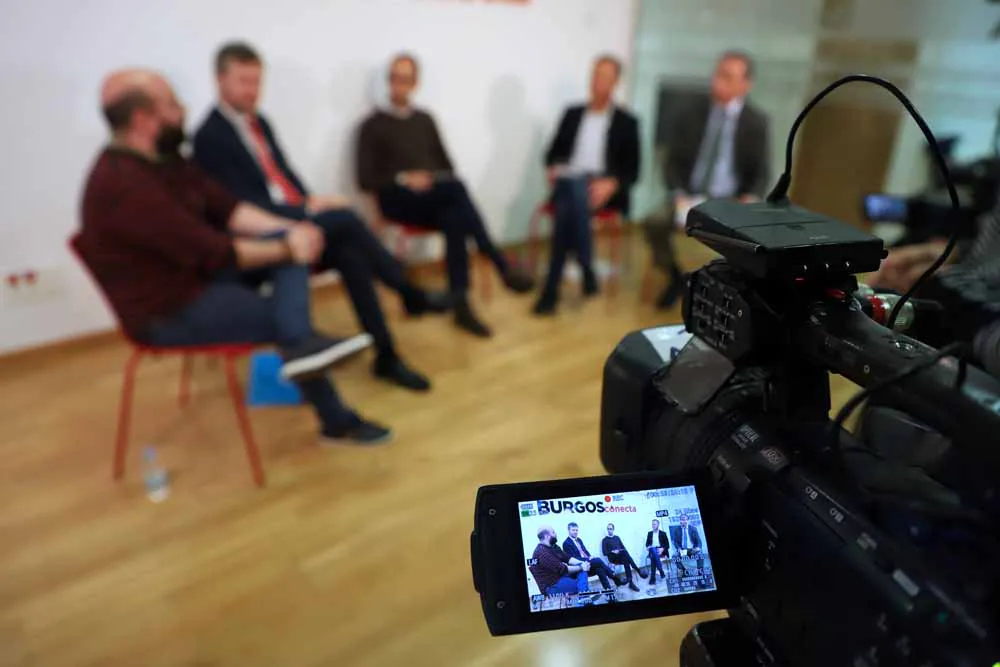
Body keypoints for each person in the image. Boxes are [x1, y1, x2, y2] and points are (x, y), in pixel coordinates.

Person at [77, 69, 390, 445]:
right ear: (143, 119)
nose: (182, 112)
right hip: (169, 310)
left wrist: (291, 233)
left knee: (286, 248)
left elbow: (227, 208)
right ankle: (331, 411)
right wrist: (288, 247)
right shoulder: (123, 185)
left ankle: (303, 351)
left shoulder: (164, 160)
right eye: (173, 105)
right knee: (288, 317)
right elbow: (211, 252)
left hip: (197, 279)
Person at [193, 42, 448, 392]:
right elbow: (242, 209)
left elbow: (283, 174)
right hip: (257, 243)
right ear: (219, 80)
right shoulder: (209, 137)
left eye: (257, 82)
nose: (253, 91)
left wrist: (310, 200)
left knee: (352, 253)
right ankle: (407, 289)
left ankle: (387, 356)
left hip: (292, 224)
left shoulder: (259, 122)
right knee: (344, 216)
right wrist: (308, 211)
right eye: (244, 82)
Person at [355, 53, 535, 337]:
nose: (398, 85)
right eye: (394, 78)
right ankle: (498, 262)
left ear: (415, 84)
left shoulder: (425, 120)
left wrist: (430, 179)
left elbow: (446, 166)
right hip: (397, 200)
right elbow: (364, 179)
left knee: (455, 216)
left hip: (432, 198)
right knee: (458, 190)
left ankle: (460, 305)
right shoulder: (372, 124)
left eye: (405, 79)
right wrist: (405, 178)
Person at [646, 50, 770, 309]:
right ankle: (676, 276)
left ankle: (721, 289)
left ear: (745, 85)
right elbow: (671, 162)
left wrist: (749, 198)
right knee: (654, 222)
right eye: (718, 74)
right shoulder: (690, 113)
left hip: (731, 199)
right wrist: (678, 193)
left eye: (727, 76)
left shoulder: (756, 122)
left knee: (747, 243)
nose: (718, 82)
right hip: (690, 193)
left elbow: (761, 172)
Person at [534, 55, 640, 315]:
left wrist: (611, 184)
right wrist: (553, 167)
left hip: (602, 188)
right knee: (573, 189)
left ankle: (551, 288)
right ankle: (586, 269)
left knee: (569, 203)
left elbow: (633, 171)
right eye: (594, 74)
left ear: (615, 82)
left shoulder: (627, 122)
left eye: (604, 76)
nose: (597, 81)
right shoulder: (572, 114)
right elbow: (551, 154)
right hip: (571, 181)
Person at [528, 526, 591, 598]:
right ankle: (584, 596)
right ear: (547, 536)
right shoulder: (541, 552)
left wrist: (583, 564)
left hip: (560, 577)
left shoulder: (554, 546)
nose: (556, 534)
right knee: (581, 582)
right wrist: (581, 567)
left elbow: (567, 558)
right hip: (552, 586)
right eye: (553, 532)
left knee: (582, 569)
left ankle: (583, 596)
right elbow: (563, 569)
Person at [561, 522, 619, 592]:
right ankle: (613, 576)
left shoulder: (579, 540)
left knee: (600, 569)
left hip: (587, 564)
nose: (575, 532)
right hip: (579, 567)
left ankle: (609, 592)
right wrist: (588, 559)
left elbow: (585, 551)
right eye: (573, 530)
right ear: (569, 530)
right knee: (598, 560)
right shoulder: (566, 543)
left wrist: (590, 556)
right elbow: (573, 559)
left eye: (576, 530)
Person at [600, 523, 643, 591]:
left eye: (610, 529)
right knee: (625, 555)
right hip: (613, 558)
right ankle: (637, 569)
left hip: (620, 556)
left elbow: (623, 547)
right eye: (608, 529)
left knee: (625, 558)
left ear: (613, 529)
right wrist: (612, 551)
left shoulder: (617, 537)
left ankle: (630, 583)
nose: (609, 530)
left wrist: (619, 550)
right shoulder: (604, 540)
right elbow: (604, 552)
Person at [645, 518, 670, 585]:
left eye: (655, 524)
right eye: (652, 524)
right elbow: (647, 544)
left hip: (660, 550)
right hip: (652, 549)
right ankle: (660, 570)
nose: (653, 525)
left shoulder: (663, 533)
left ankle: (652, 577)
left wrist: (662, 549)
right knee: (653, 549)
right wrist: (648, 546)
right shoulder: (649, 533)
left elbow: (667, 545)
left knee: (653, 557)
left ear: (658, 525)